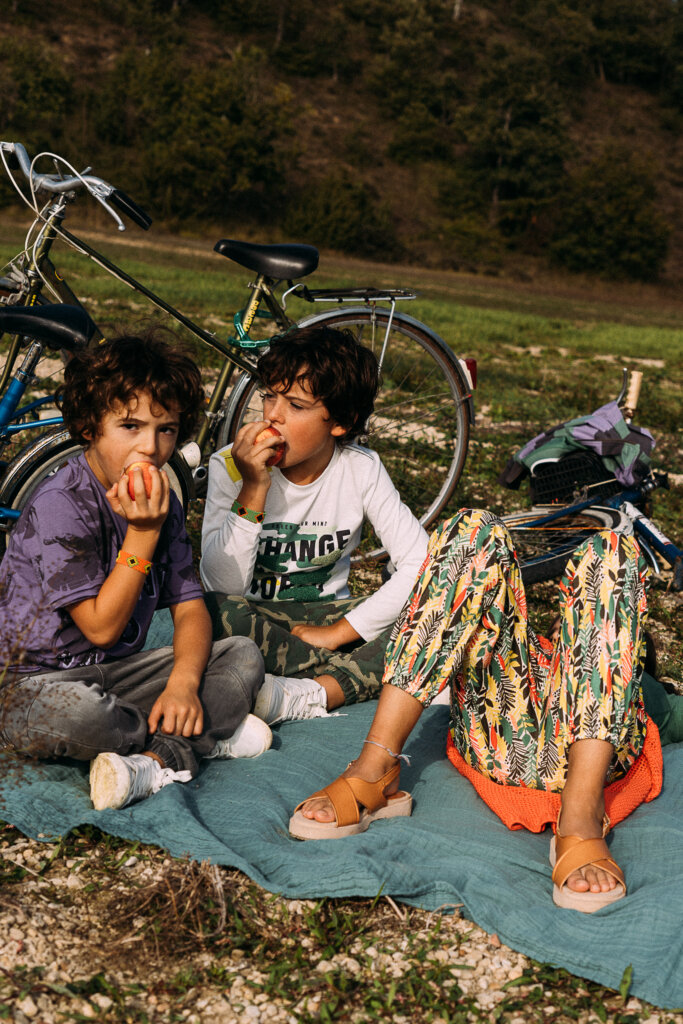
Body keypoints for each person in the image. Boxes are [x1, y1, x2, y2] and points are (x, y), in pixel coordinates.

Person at [288, 508, 664, 913]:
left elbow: (627, 674)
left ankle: (581, 817)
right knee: (473, 528)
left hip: (594, 756)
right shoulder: (521, 652)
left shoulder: (618, 676)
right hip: (501, 728)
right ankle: (374, 765)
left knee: (613, 550)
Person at [0, 331, 270, 812]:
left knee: (242, 656)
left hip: (117, 676)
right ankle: (196, 738)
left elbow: (189, 607)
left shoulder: (161, 498)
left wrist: (183, 683)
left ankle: (155, 757)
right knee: (77, 717)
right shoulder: (62, 504)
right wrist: (143, 532)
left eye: (166, 429)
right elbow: (102, 628)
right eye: (130, 425)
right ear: (90, 427)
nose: (150, 446)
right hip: (31, 685)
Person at [200, 325, 428, 725]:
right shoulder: (231, 466)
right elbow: (222, 586)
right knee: (208, 612)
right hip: (256, 619)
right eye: (269, 395)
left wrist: (337, 633)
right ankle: (363, 675)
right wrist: (253, 488)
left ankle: (313, 691)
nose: (272, 414)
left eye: (296, 405)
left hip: (329, 619)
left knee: (433, 608)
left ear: (340, 422)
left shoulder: (360, 469)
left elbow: (421, 565)